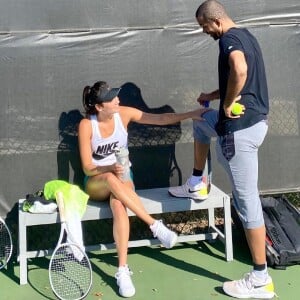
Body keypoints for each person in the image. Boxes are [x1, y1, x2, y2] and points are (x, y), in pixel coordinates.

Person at [169, 1, 275, 299]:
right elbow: (240, 78)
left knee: (246, 201)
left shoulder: (228, 39)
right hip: (254, 122)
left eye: (204, 27)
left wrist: (226, 105)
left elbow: (240, 70)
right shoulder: (246, 35)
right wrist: (214, 96)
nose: (205, 32)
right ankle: (197, 183)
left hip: (240, 131)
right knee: (202, 120)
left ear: (215, 21)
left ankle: (260, 278)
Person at [78, 80, 208, 298]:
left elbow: (159, 119)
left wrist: (190, 114)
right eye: (112, 98)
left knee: (119, 206)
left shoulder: (124, 114)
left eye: (117, 96)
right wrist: (109, 166)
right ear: (100, 107)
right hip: (96, 180)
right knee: (110, 178)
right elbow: (87, 167)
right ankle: (154, 225)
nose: (117, 100)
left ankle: (122, 271)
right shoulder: (86, 125)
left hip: (123, 175)